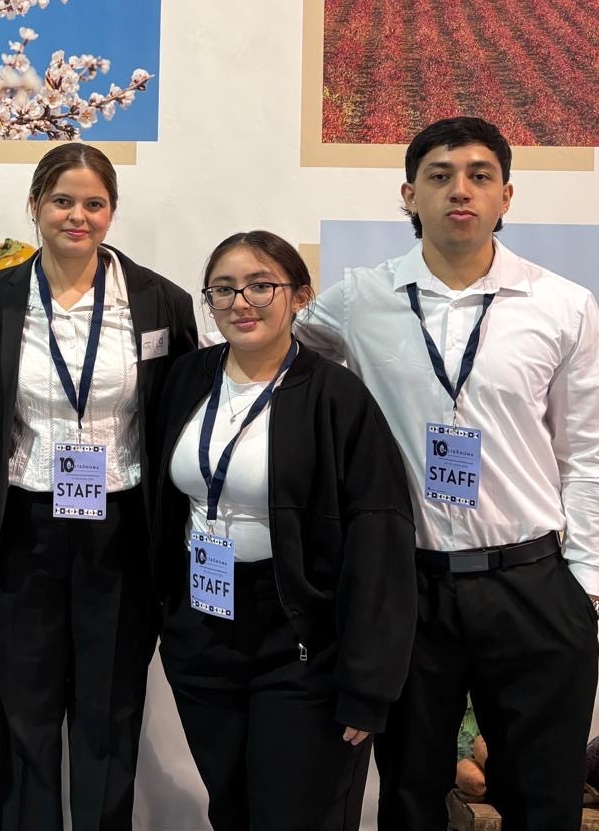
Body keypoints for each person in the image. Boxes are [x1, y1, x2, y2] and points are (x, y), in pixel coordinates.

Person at [294, 116, 599, 830]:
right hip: (408, 588)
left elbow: (595, 447)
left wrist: (586, 584)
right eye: (440, 176)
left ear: (507, 195)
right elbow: (276, 360)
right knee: (411, 795)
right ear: (409, 195)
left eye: (480, 175)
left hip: (532, 583)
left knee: (542, 800)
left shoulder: (561, 305)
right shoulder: (359, 300)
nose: (460, 191)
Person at [0, 142, 197, 831]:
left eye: (94, 203)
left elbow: (181, 410)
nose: (78, 216)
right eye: (62, 201)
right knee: (26, 710)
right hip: (22, 525)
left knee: (109, 709)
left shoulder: (159, 301)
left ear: (112, 212)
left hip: (122, 529)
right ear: (34, 205)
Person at [149, 231, 414, 830]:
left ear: (300, 296)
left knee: (297, 815)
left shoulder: (336, 396)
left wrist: (368, 683)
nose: (240, 302)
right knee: (233, 810)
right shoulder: (187, 378)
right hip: (204, 627)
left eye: (260, 285)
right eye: (223, 289)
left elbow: (379, 537)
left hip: (300, 638)